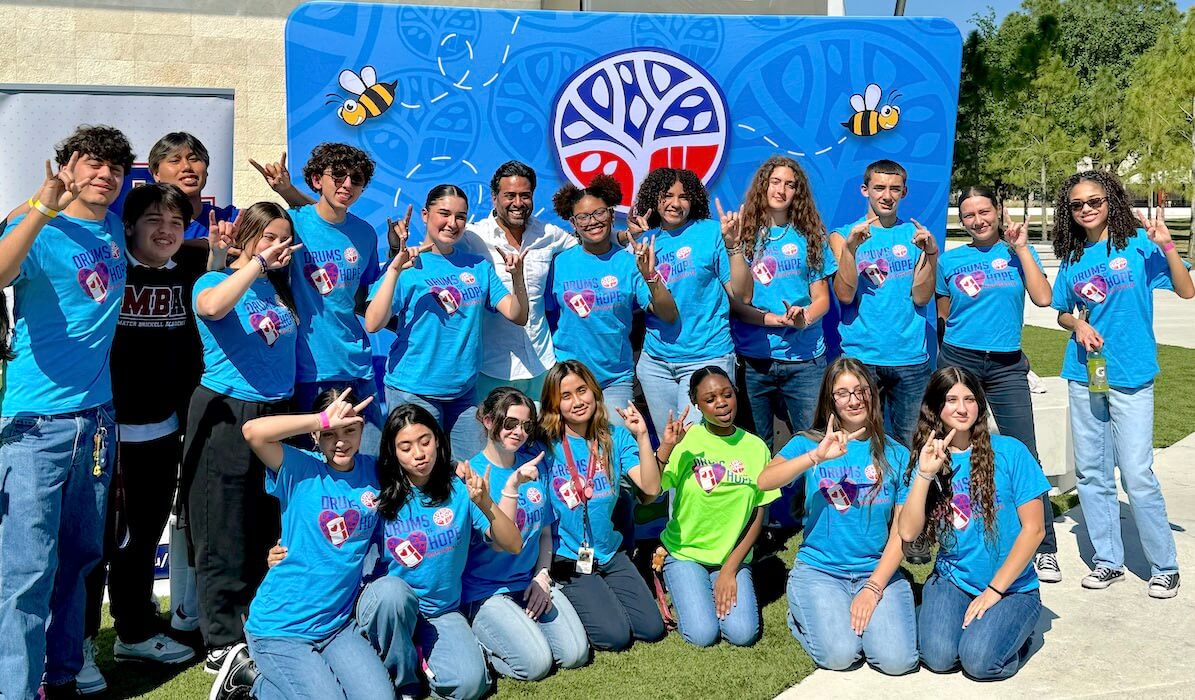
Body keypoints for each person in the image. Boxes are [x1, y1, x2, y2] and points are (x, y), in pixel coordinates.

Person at [0, 126, 132, 700]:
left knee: (79, 557)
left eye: (115, 168)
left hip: (97, 422)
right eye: (92, 164)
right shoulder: (36, 225)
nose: (104, 175)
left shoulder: (110, 228)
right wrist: (38, 204)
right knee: (27, 571)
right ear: (68, 167)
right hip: (35, 426)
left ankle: (63, 674)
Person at [79, 183, 214, 694]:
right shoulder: (109, 270)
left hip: (162, 435)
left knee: (140, 540)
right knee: (94, 546)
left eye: (176, 223)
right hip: (102, 434)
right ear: (127, 226)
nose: (165, 230)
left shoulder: (189, 274)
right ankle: (82, 642)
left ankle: (133, 630)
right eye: (153, 220)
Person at [1050, 170, 1193, 598]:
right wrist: (1076, 324)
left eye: (1094, 201)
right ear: (1069, 212)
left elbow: (1187, 290)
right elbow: (1061, 310)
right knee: (1092, 472)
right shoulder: (1073, 258)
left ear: (1111, 200)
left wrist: (1167, 243)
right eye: (1077, 205)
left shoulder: (1140, 246)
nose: (1087, 210)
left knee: (1136, 473)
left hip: (1131, 375)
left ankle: (1164, 566)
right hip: (1085, 374)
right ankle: (1108, 560)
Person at [184, 202, 302, 673]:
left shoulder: (277, 290)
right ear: (249, 236)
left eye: (285, 239)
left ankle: (257, 621)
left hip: (278, 412)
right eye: (269, 236)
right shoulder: (213, 281)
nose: (279, 246)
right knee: (222, 526)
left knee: (264, 521)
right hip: (228, 411)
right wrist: (253, 263)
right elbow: (212, 307)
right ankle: (220, 641)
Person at [225, 387, 392, 700]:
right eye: (329, 433)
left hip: (336, 626)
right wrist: (320, 418)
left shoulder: (375, 471)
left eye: (350, 431)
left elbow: (420, 467)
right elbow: (252, 432)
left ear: (362, 430)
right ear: (316, 436)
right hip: (280, 628)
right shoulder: (300, 467)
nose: (341, 442)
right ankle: (252, 684)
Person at [759, 357, 917, 675]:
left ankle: (859, 609)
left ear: (872, 394)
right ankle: (804, 611)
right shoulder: (807, 443)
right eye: (843, 393)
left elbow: (902, 531)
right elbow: (765, 480)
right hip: (820, 571)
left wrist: (873, 588)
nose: (854, 400)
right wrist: (815, 456)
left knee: (896, 662)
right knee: (841, 655)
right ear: (830, 400)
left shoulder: (896, 453)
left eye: (860, 390)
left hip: (876, 572)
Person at [354, 403, 522, 699]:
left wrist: (485, 502)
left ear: (438, 440)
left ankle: (419, 653)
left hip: (441, 611)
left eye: (425, 441)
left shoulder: (460, 487)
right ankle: (405, 680)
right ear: (392, 452)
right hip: (390, 608)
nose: (418, 454)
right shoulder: (377, 492)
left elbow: (512, 543)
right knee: (392, 594)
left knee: (472, 685)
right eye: (405, 447)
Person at [937, 186, 1061, 583]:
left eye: (984, 211)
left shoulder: (1015, 254)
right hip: (959, 361)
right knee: (950, 449)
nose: (978, 220)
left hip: (1007, 365)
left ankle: (1043, 548)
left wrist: (1023, 248)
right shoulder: (950, 261)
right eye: (969, 214)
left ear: (998, 210)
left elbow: (1044, 298)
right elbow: (943, 314)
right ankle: (949, 532)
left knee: (1025, 452)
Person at [898, 367, 1048, 681]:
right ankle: (956, 624)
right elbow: (909, 533)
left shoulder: (1010, 452)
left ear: (980, 404)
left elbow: (1035, 530)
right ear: (936, 407)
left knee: (979, 662)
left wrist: (994, 591)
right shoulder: (926, 458)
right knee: (938, 658)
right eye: (951, 400)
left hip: (1011, 589)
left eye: (969, 399)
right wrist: (925, 474)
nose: (962, 408)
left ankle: (1017, 636)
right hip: (954, 580)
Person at [365, 184, 528, 458]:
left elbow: (517, 314)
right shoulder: (408, 264)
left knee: (471, 474)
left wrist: (517, 277)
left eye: (461, 216)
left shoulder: (478, 266)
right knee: (419, 474)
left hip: (463, 395)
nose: (452, 223)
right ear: (425, 215)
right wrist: (394, 269)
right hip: (413, 391)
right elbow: (373, 323)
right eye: (444, 214)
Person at [829, 159, 938, 565]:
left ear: (904, 193)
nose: (886, 195)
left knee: (910, 447)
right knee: (863, 446)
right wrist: (853, 250)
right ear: (865, 191)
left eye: (894, 188)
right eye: (879, 188)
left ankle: (910, 530)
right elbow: (843, 295)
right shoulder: (843, 237)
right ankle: (866, 528)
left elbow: (922, 298)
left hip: (910, 359)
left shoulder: (916, 237)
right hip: (862, 360)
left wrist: (929, 256)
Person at [460, 388, 590, 680]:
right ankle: (478, 639)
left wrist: (542, 575)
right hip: (487, 590)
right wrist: (510, 488)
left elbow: (544, 531)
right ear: (488, 421)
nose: (518, 432)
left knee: (575, 654)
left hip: (528, 581)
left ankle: (520, 627)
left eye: (526, 426)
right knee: (536, 665)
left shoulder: (533, 467)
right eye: (510, 423)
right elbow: (501, 545)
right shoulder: (472, 476)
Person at [539, 360, 666, 651]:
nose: (577, 401)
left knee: (651, 628)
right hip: (567, 558)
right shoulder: (544, 444)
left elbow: (650, 487)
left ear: (595, 392)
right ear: (555, 404)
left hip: (609, 551)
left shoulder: (614, 436)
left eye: (582, 390)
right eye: (566, 396)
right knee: (615, 637)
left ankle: (600, 595)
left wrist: (643, 436)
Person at [622, 167, 751, 434]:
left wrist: (734, 246)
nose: (675, 204)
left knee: (699, 446)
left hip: (707, 357)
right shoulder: (644, 242)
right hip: (656, 364)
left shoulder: (712, 232)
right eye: (667, 195)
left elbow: (743, 295)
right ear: (654, 198)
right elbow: (664, 313)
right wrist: (649, 274)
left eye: (684, 197)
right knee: (671, 446)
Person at [656, 367, 776, 648]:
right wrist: (666, 448)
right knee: (702, 635)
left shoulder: (757, 447)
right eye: (710, 399)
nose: (721, 403)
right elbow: (650, 492)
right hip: (685, 552)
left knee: (742, 634)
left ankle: (710, 584)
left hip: (730, 556)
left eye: (727, 394)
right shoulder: (688, 442)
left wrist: (729, 570)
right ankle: (679, 579)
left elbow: (759, 513)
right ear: (696, 404)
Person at [281, 143, 385, 456]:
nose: (347, 184)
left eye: (356, 179)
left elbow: (360, 298)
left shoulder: (365, 233)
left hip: (357, 368)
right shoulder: (291, 224)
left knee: (369, 463)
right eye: (338, 175)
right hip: (308, 370)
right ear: (316, 180)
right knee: (312, 467)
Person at [547, 174, 677, 424]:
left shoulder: (630, 263)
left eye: (599, 213)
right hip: (569, 378)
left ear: (611, 214)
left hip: (615, 379)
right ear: (573, 223)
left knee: (617, 451)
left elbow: (669, 314)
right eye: (583, 217)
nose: (592, 222)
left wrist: (650, 275)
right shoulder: (558, 263)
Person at [731, 156, 837, 450]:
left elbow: (822, 300)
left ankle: (808, 498)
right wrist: (771, 320)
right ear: (763, 185)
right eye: (775, 182)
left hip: (805, 361)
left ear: (797, 193)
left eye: (790, 185)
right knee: (753, 449)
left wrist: (803, 318)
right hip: (755, 361)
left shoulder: (811, 236)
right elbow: (738, 303)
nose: (781, 190)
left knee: (814, 445)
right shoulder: (743, 236)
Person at [461, 161, 576, 402]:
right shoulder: (473, 237)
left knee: (543, 438)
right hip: (491, 368)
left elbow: (588, 247)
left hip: (541, 365)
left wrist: (621, 236)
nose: (518, 203)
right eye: (509, 195)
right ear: (494, 198)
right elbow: (437, 253)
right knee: (494, 439)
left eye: (525, 195)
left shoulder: (548, 235)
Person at [148, 131, 238, 246]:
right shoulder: (144, 228)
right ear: (156, 174)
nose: (186, 166)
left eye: (194, 159)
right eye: (175, 161)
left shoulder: (229, 219)